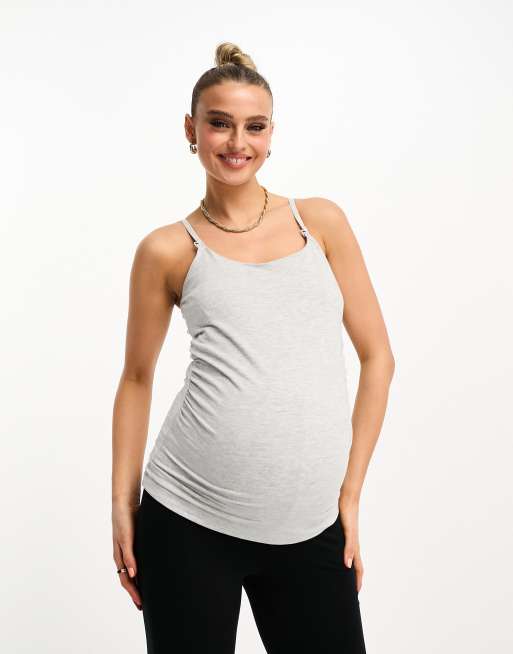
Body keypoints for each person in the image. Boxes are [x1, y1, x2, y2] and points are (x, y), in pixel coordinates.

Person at [111, 41, 395, 653]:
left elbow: (379, 358)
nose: (238, 142)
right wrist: (122, 506)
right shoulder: (167, 249)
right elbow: (136, 378)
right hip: (186, 516)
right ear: (191, 130)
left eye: (254, 126)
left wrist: (349, 495)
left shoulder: (320, 222)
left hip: (310, 523)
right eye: (219, 123)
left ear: (271, 133)